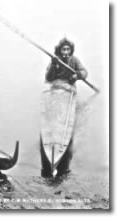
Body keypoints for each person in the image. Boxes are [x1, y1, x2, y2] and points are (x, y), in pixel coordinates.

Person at [41, 38, 88, 178]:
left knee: (65, 120)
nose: (66, 52)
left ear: (71, 51)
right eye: (63, 50)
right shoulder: (55, 60)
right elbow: (48, 78)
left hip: (69, 91)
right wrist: (54, 66)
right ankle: (50, 146)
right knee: (53, 118)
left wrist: (77, 75)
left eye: (68, 50)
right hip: (56, 90)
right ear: (59, 51)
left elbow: (85, 72)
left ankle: (63, 163)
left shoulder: (75, 60)